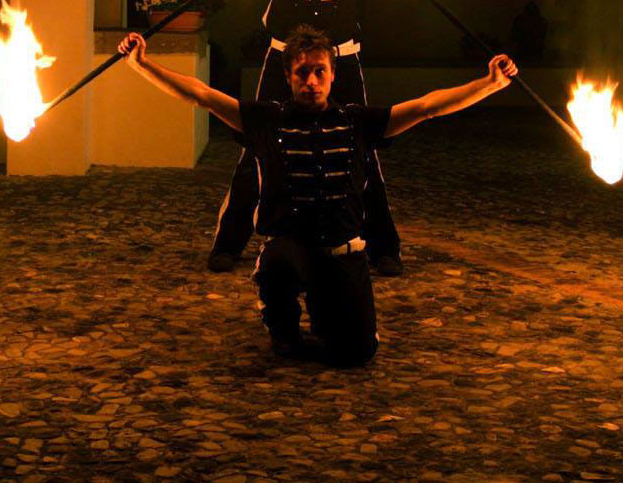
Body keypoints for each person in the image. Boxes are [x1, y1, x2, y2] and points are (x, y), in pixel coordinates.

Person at [118, 24, 517, 365]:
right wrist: (141, 64)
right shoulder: (264, 120)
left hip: (342, 253)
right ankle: (280, 317)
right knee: (279, 269)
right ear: (288, 76)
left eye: (319, 72)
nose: (310, 81)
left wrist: (491, 83)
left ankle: (329, 312)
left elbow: (428, 106)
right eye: (301, 73)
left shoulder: (358, 122)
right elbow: (200, 94)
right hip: (289, 249)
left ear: (332, 75)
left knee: (355, 354)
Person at [190, 0, 455, 277]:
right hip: (282, 60)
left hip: (343, 60)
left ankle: (383, 246)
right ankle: (228, 244)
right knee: (255, 146)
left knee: (364, 151)